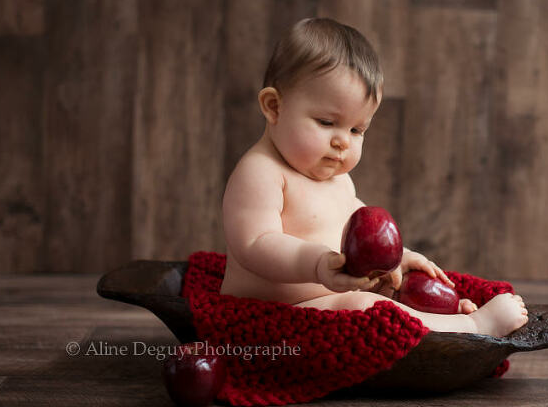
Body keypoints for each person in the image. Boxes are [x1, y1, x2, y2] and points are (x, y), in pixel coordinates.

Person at [220, 18, 527, 337]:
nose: (343, 142)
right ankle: (471, 327)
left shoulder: (337, 178)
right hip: (274, 316)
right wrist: (316, 265)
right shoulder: (260, 172)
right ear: (274, 107)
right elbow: (255, 244)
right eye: (326, 122)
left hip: (330, 297)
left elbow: (358, 230)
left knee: (397, 290)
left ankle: (443, 314)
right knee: (364, 309)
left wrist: (398, 257)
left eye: (357, 130)